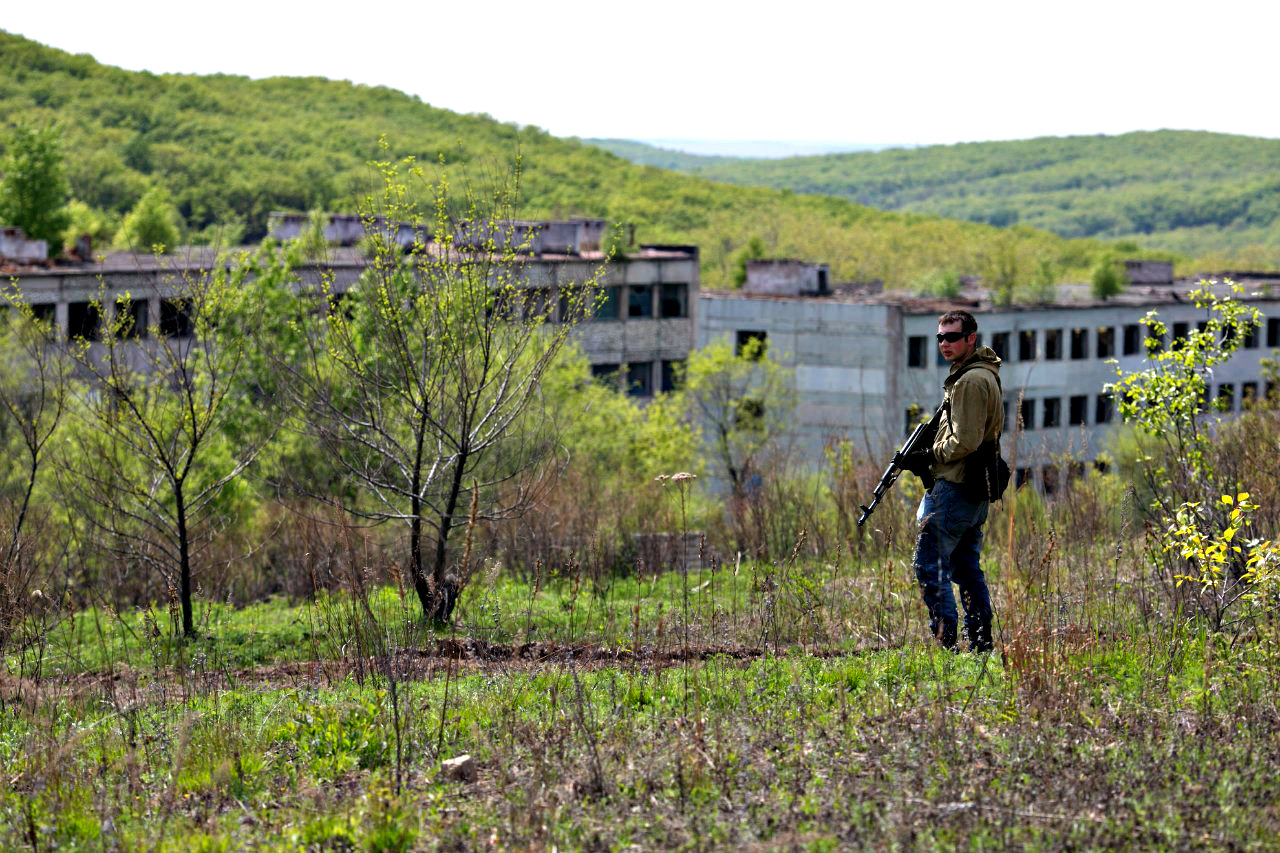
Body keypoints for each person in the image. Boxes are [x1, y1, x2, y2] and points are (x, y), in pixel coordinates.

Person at [897, 309, 1003, 652]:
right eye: (940, 337)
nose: (944, 343)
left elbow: (966, 441)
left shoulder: (971, 380)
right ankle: (980, 642)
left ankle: (946, 643)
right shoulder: (974, 374)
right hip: (971, 490)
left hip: (957, 487)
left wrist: (929, 455)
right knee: (968, 569)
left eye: (952, 337)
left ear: (970, 339)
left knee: (929, 565)